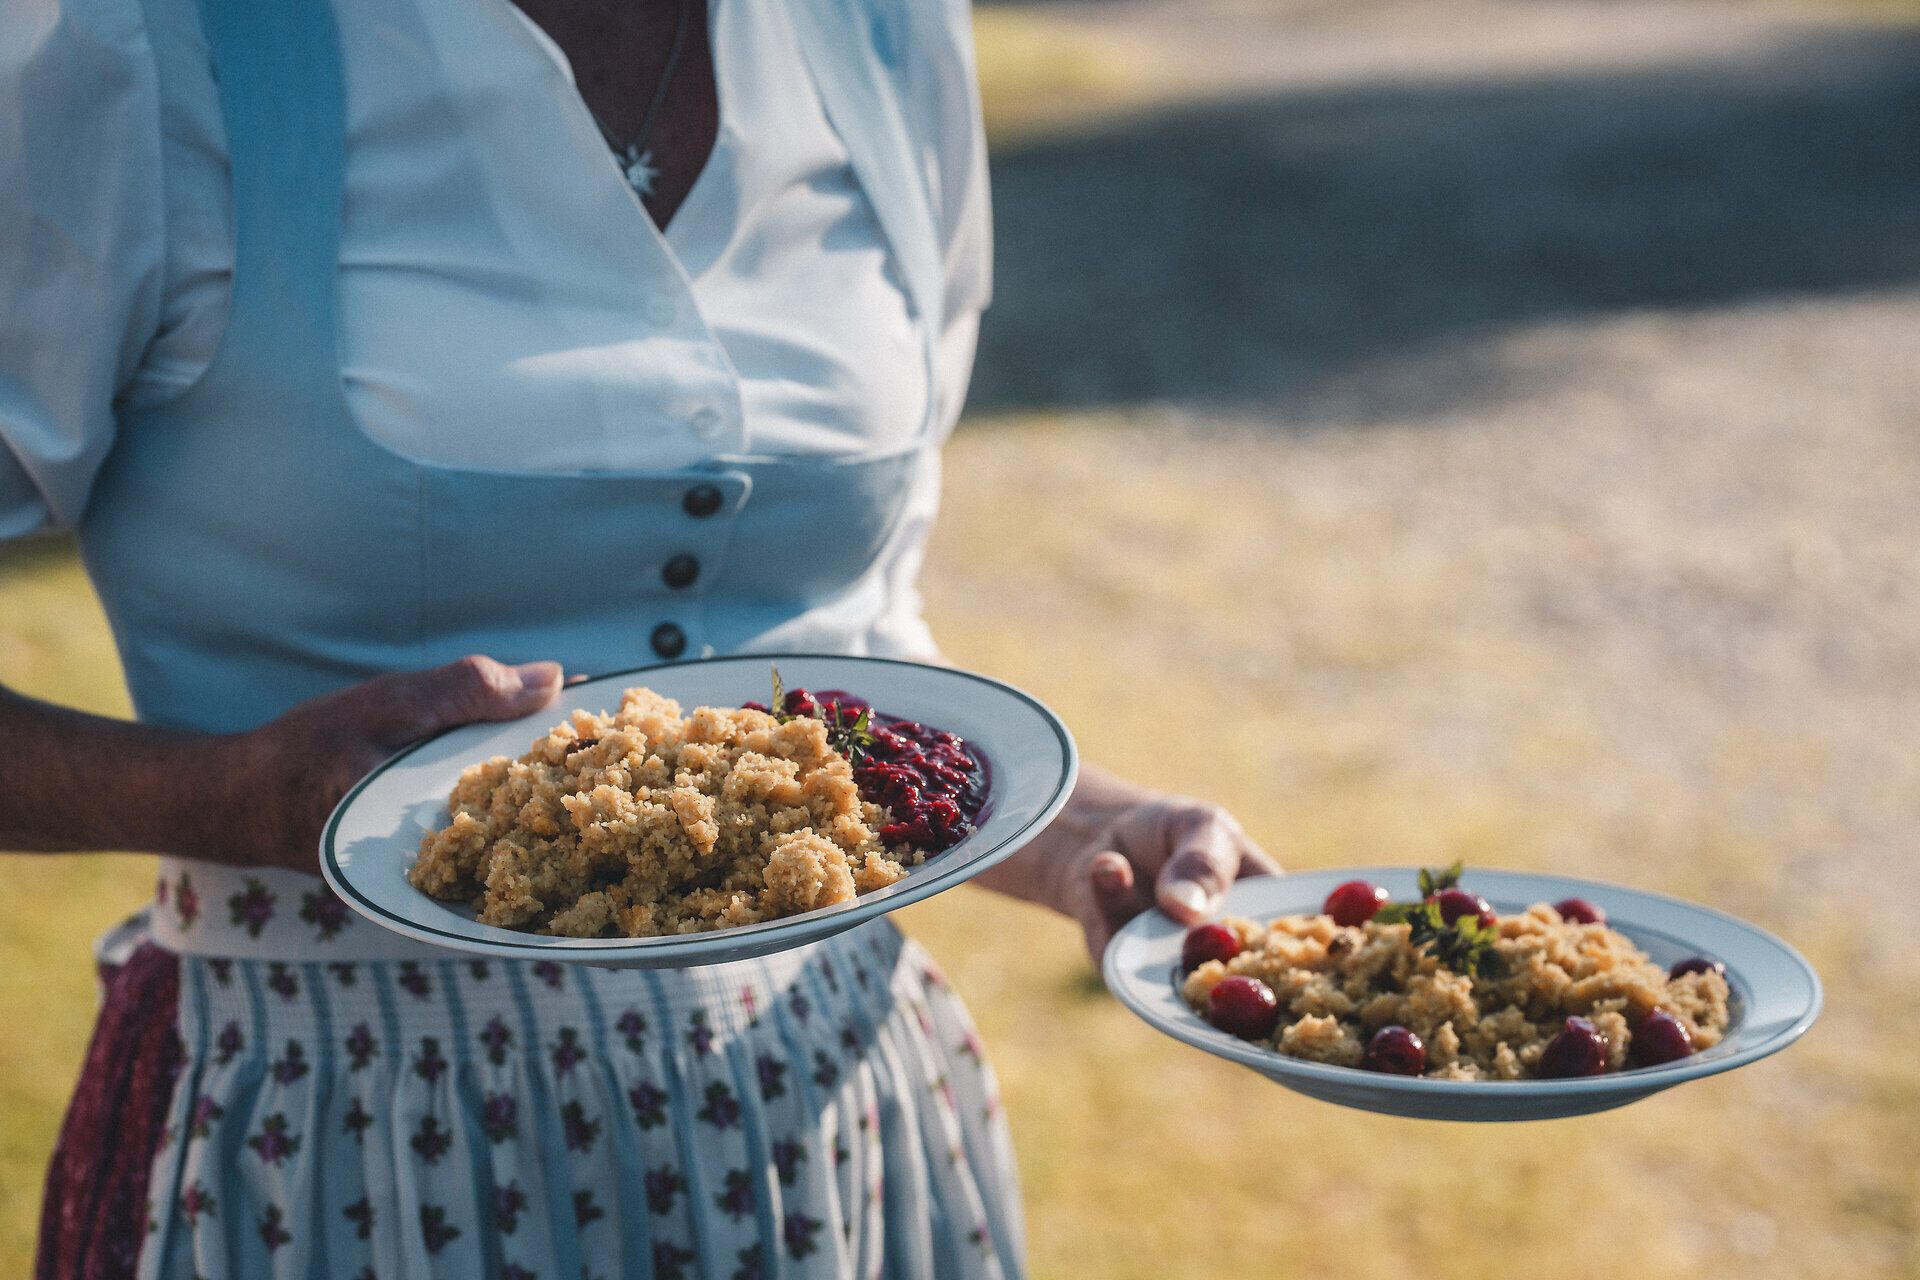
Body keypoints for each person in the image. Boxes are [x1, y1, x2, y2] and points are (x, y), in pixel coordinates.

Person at [0, 0, 1276, 1274]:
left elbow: (855, 639)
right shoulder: (138, 46)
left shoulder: (885, 33)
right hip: (335, 1136)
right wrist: (218, 795)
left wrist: (1079, 835)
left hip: (824, 1125)